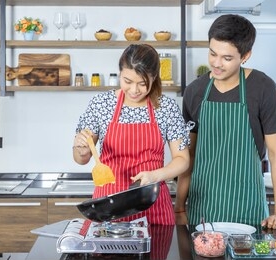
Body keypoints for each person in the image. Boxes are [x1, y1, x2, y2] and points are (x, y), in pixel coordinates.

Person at [175, 14, 276, 229]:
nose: (216, 64)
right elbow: (188, 154)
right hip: (203, 212)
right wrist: (179, 207)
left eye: (227, 58)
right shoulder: (195, 91)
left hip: (248, 209)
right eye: (212, 53)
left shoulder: (263, 88)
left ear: (245, 55)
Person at [72, 44, 190, 225]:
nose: (134, 90)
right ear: (120, 74)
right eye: (127, 81)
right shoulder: (101, 104)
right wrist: (81, 148)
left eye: (142, 83)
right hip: (109, 208)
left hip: (153, 204)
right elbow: (82, 158)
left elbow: (182, 159)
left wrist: (155, 176)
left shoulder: (166, 107)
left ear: (154, 77)